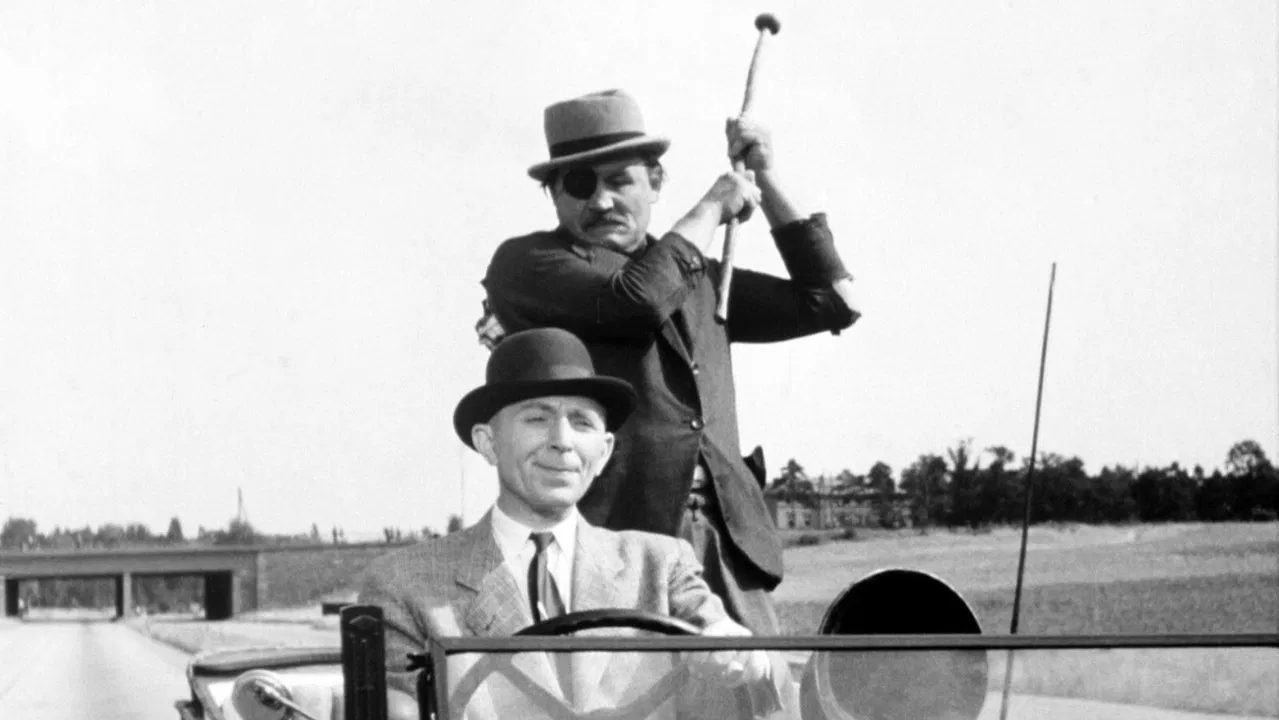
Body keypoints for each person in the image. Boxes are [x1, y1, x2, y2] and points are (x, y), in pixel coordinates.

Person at [476, 89, 860, 635]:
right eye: (580, 185)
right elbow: (638, 301)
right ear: (553, 196)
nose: (602, 201)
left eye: (620, 181)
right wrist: (713, 206)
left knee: (760, 683)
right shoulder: (528, 265)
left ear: (656, 183)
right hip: (615, 548)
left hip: (726, 546)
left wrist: (766, 177)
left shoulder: (702, 277)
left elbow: (834, 300)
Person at [359, 327, 795, 718]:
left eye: (581, 422)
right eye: (537, 418)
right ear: (488, 443)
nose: (562, 441)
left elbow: (728, 649)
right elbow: (394, 707)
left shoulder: (661, 564)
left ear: (603, 453)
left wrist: (741, 654)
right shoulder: (405, 586)